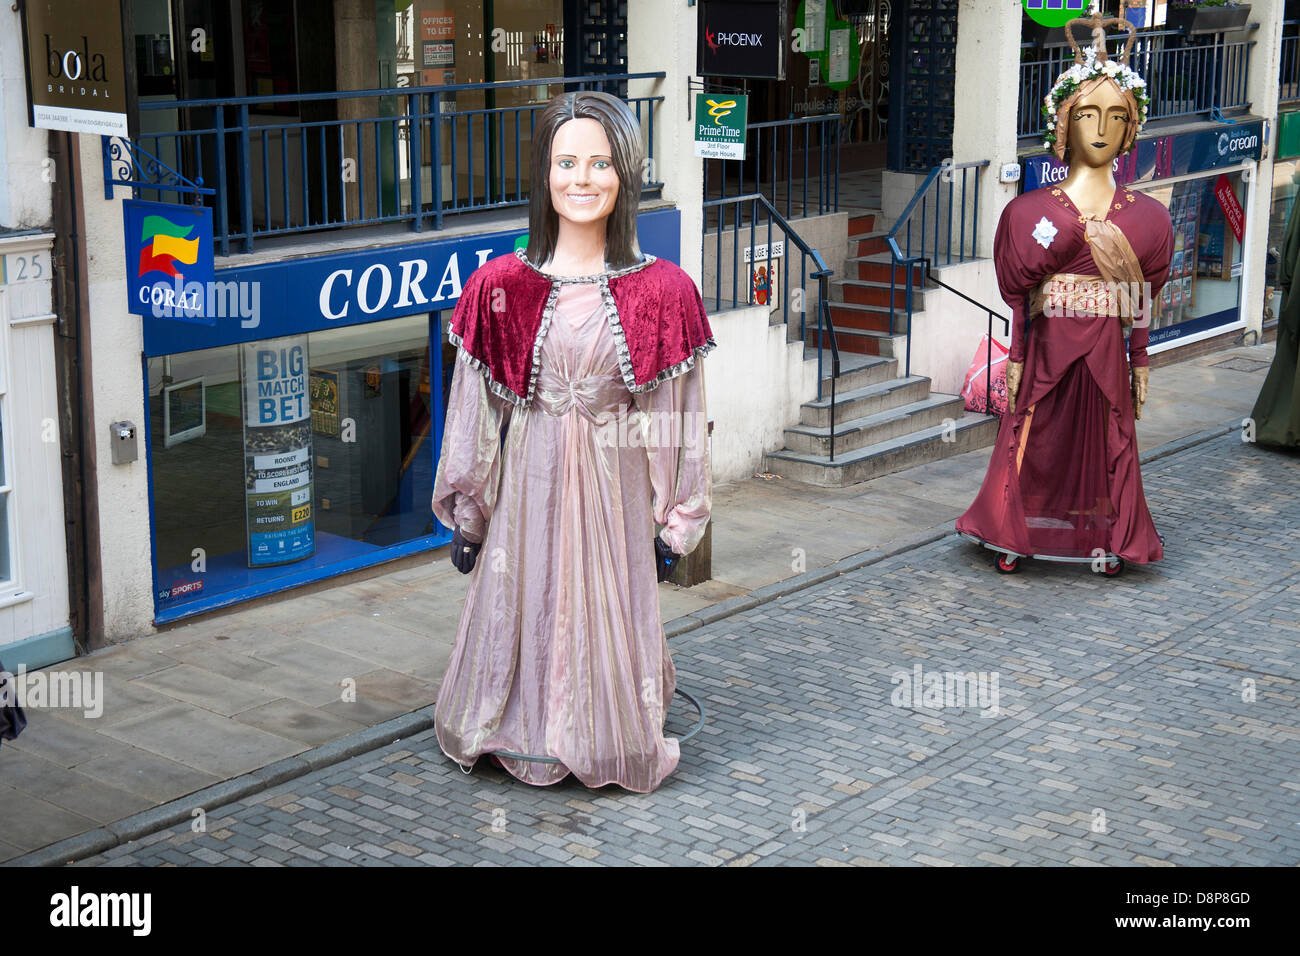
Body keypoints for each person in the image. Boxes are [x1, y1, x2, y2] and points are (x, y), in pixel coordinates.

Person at [430, 91, 714, 793]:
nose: (581, 179)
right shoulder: (499, 286)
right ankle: (521, 725)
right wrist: (470, 511)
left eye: (599, 162)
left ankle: (603, 727)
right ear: (542, 173)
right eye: (565, 162)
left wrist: (678, 526)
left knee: (602, 597)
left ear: (627, 174)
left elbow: (678, 416)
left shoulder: (664, 293)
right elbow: (474, 412)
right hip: (528, 480)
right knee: (524, 592)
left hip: (614, 484)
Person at [957, 6, 1173, 571]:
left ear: (1132, 129)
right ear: (1064, 122)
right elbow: (1020, 297)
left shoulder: (1148, 220)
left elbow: (1139, 299)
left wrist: (1141, 359)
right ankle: (1012, 528)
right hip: (1048, 348)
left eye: (1115, 116)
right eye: (1088, 114)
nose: (1100, 129)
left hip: (1107, 348)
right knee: (1033, 437)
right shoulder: (1029, 214)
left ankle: (1112, 533)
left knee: (1109, 441)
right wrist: (1019, 354)